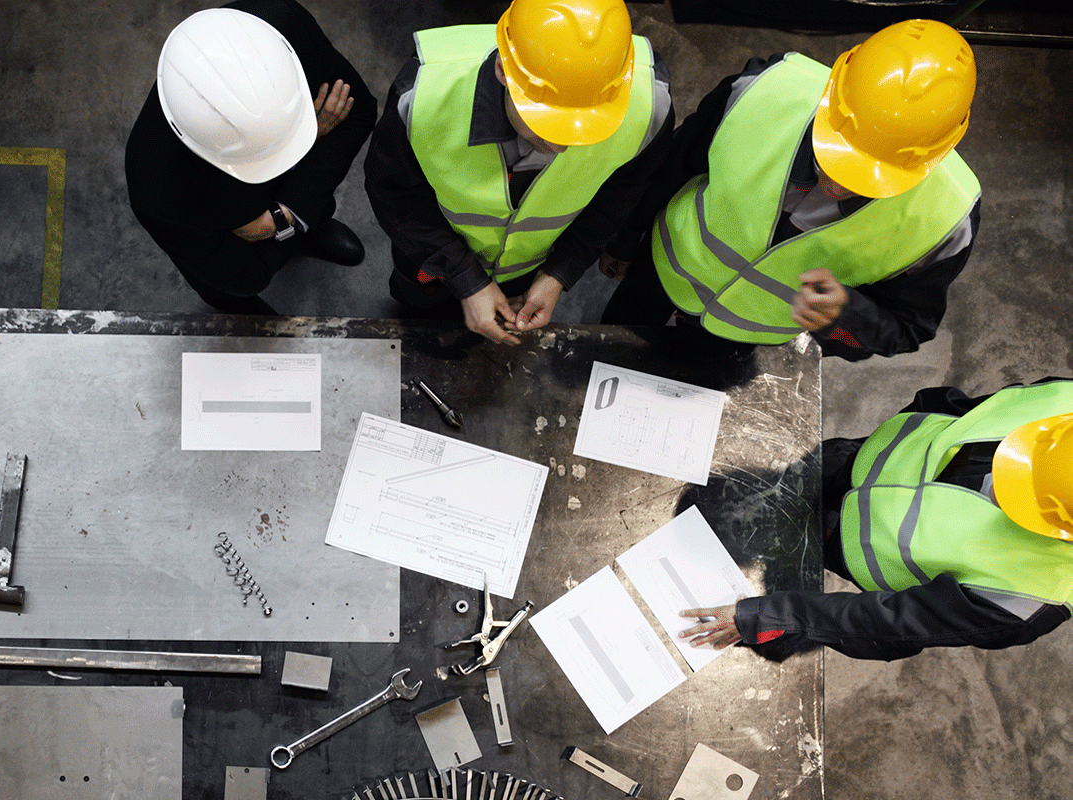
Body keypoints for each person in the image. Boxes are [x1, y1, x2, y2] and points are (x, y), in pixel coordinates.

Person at [601, 19, 981, 362]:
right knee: (614, 348)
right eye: (836, 157)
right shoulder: (761, 91)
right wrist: (625, 239)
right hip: (661, 271)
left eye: (867, 179)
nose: (835, 186)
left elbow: (907, 329)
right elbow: (671, 167)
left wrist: (844, 318)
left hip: (748, 332)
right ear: (832, 97)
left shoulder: (945, 221)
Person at [680, 379, 1073, 661]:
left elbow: (884, 626)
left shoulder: (1030, 598)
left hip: (838, 541)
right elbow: (955, 405)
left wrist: (763, 618)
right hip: (846, 459)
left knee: (781, 591)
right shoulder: (1064, 402)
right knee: (709, 505)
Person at [364, 0, 673, 345]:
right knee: (419, 322)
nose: (563, 148)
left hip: (529, 272)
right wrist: (466, 279)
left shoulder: (649, 105)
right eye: (547, 125)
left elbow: (621, 193)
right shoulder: (423, 96)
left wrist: (558, 272)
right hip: (430, 260)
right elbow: (393, 193)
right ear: (502, 71)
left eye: (588, 128)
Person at [125, 0, 376, 315]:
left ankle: (304, 230)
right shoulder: (158, 191)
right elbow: (245, 276)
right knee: (232, 291)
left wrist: (283, 219)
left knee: (308, 209)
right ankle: (245, 307)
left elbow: (359, 110)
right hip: (220, 233)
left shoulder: (277, 25)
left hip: (262, 218)